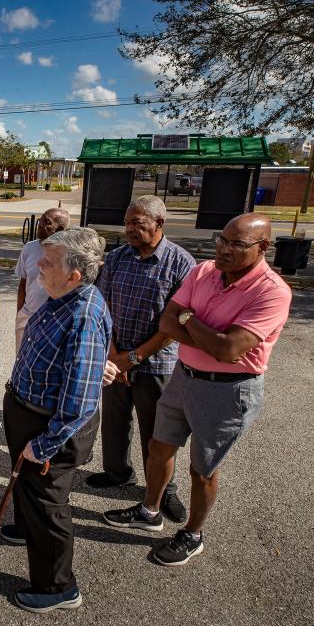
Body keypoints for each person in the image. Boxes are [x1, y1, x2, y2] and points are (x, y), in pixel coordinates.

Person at [104, 214, 292, 567]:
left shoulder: (272, 292)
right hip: (184, 376)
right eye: (222, 239)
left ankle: (193, 533)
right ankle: (150, 510)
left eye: (236, 244)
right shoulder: (204, 271)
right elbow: (166, 320)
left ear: (263, 247)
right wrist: (198, 330)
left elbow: (228, 349)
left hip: (227, 390)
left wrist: (188, 320)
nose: (223, 249)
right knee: (159, 448)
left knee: (203, 469)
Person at [2, 227, 112, 613]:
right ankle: (26, 527)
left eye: (48, 262)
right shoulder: (61, 295)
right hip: (29, 413)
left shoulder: (82, 312)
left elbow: (79, 401)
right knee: (31, 493)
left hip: (48, 427)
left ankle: (57, 588)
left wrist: (45, 444)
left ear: (74, 274)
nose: (39, 266)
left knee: (48, 503)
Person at [87, 196, 195, 524]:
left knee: (159, 432)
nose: (130, 229)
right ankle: (118, 472)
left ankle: (164, 490)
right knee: (115, 422)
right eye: (128, 222)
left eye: (138, 222)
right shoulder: (118, 258)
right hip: (115, 358)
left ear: (159, 223)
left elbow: (176, 324)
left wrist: (132, 358)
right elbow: (102, 308)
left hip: (156, 364)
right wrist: (114, 355)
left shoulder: (181, 263)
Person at [14, 207, 69, 350]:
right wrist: (20, 313)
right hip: (27, 317)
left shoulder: (67, 253)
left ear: (60, 228)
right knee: (21, 362)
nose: (40, 224)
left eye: (47, 222)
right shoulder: (29, 248)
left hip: (53, 321)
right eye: (41, 220)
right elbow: (23, 284)